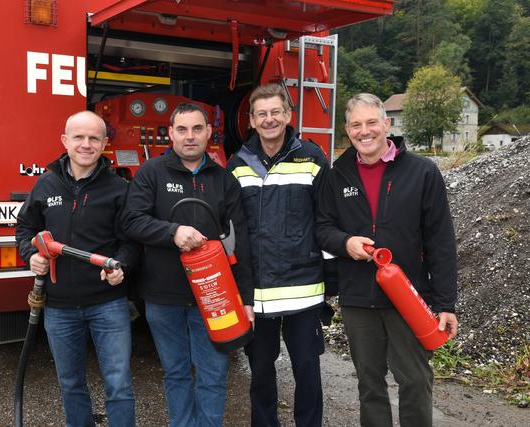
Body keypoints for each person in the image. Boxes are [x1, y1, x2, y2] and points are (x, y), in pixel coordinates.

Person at [316, 93, 459, 427]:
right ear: (347, 130)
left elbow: (441, 243)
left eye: (371, 123)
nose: (364, 131)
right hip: (358, 298)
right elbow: (322, 228)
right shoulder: (337, 175)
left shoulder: (422, 172)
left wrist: (445, 303)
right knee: (370, 384)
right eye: (355, 125)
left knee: (414, 380)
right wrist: (345, 242)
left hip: (408, 297)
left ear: (386, 124)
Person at [122, 102, 254, 427]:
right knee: (176, 373)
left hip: (215, 300)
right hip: (162, 297)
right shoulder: (151, 173)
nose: (190, 137)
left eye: (197, 129)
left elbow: (243, 243)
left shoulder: (224, 180)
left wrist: (246, 299)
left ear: (209, 133)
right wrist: (172, 232)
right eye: (182, 130)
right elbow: (131, 221)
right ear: (170, 134)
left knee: (212, 375)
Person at [16, 110, 139, 427]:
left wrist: (121, 265)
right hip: (59, 307)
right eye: (79, 137)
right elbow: (25, 229)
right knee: (71, 385)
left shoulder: (118, 189)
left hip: (108, 305)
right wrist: (31, 254)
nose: (86, 144)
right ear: (65, 141)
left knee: (119, 385)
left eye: (94, 138)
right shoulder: (45, 185)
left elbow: (131, 241)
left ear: (105, 144)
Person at [227, 83, 334, 427]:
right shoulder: (238, 163)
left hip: (303, 289)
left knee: (307, 370)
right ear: (252, 121)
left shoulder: (313, 157)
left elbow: (327, 221)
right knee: (260, 373)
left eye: (276, 112)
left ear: (288, 115)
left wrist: (331, 286)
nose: (269, 119)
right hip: (256, 293)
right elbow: (233, 231)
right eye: (262, 114)